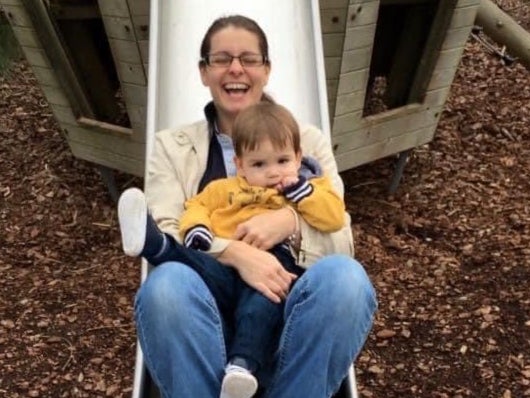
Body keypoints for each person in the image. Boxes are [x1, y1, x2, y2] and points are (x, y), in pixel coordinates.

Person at [132, 14, 377, 398]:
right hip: (206, 302)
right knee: (164, 285)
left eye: (248, 59)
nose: (235, 69)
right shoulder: (173, 146)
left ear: (267, 70)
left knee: (346, 280)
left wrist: (290, 222)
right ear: (203, 72)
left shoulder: (306, 144)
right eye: (221, 59)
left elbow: (340, 239)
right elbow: (169, 224)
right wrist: (236, 253)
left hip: (286, 305)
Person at [118, 102, 346, 398]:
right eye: (259, 164)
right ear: (240, 165)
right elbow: (196, 206)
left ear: (299, 157)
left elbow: (334, 217)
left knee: (263, 301)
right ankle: (156, 244)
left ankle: (241, 368)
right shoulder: (224, 188)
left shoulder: (306, 190)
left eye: (283, 160)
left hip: (276, 267)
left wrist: (298, 203)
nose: (274, 173)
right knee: (193, 265)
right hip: (226, 273)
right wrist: (199, 229)